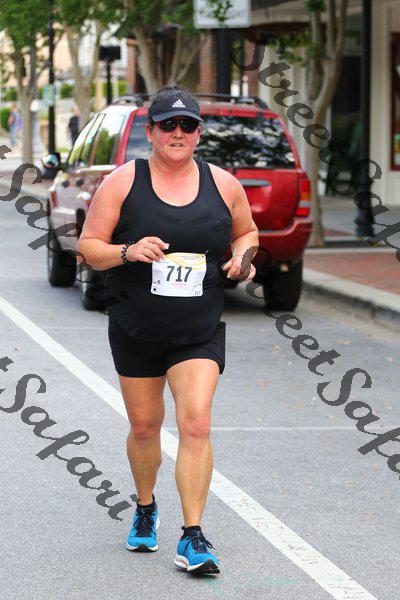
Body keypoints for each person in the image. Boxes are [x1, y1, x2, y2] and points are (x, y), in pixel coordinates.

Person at [77, 86, 259, 575]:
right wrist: (127, 251)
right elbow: (88, 247)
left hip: (198, 327)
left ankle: (193, 535)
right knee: (144, 426)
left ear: (199, 132)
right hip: (135, 324)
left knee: (195, 423)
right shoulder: (122, 182)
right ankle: (144, 506)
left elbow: (247, 232)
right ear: (151, 131)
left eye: (188, 125)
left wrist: (244, 258)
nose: (178, 133)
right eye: (168, 125)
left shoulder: (224, 184)